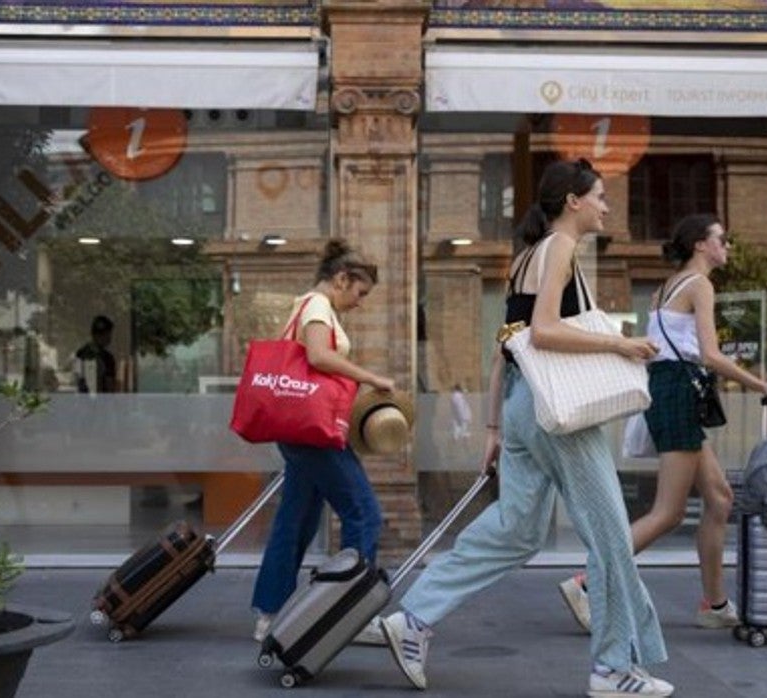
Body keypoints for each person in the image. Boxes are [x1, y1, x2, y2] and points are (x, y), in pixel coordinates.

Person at [381, 159, 675, 697]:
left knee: (516, 529)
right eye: (600, 197)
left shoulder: (524, 260)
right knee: (610, 536)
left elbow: (506, 350)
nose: (607, 206)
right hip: (558, 411)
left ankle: (416, 617)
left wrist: (495, 427)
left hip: (522, 406)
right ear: (573, 202)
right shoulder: (561, 248)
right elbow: (542, 333)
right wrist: (619, 341)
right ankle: (612, 669)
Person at [558, 213, 767, 634]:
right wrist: (765, 385)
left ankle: (714, 604)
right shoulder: (699, 285)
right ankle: (588, 582)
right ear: (701, 244)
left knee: (719, 498)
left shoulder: (667, 287)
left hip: (668, 388)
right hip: (680, 391)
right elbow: (710, 355)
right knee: (668, 513)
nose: (727, 246)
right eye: (722, 238)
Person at [250, 239, 396, 642]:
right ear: (341, 279)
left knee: (295, 520)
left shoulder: (308, 304)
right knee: (363, 512)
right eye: (360, 292)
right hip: (313, 432)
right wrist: (370, 377)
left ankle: (269, 613)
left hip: (298, 431)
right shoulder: (317, 305)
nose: (360, 302)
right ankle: (353, 612)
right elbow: (316, 356)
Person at [75, 315, 118, 393]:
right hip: (101, 402)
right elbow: (110, 387)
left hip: (84, 401)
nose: (110, 338)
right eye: (108, 334)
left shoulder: (80, 353)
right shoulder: (107, 358)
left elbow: (78, 380)